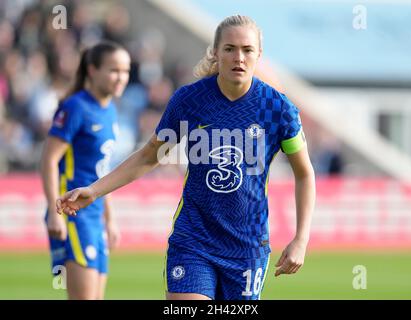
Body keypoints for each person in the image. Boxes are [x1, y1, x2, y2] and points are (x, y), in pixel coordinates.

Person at [57, 15, 315, 300]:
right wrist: (94, 191)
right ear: (215, 52)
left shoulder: (278, 110)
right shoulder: (189, 101)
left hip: (248, 247)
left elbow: (304, 174)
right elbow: (148, 157)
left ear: (259, 55)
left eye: (247, 50)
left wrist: (300, 239)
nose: (238, 57)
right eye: (229, 48)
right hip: (193, 240)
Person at [40, 41, 131, 299]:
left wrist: (110, 219)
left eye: (125, 71)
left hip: (95, 215)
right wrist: (54, 213)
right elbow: (48, 159)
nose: (121, 78)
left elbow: (102, 172)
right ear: (92, 70)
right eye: (114, 70)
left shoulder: (110, 110)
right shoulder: (75, 107)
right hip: (73, 213)